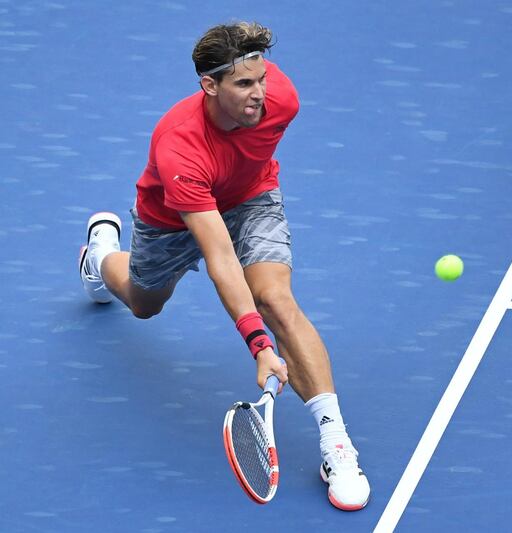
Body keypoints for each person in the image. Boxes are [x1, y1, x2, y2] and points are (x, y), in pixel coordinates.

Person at [78, 21, 369, 511]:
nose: (260, 94)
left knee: (275, 298)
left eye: (261, 78)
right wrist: (258, 344)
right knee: (143, 302)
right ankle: (102, 253)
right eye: (244, 84)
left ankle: (336, 443)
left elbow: (247, 262)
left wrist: (264, 324)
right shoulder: (179, 145)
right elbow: (220, 257)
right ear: (209, 86)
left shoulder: (283, 99)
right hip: (172, 219)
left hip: (252, 197)